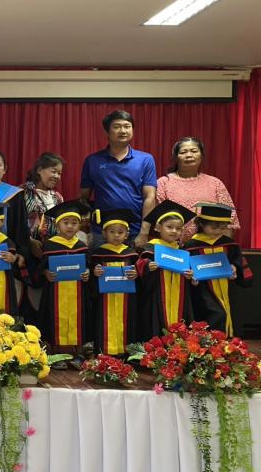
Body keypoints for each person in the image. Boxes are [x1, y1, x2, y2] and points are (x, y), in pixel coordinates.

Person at [79, 110, 157, 248]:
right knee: (99, 263)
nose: (123, 131)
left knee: (134, 263)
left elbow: (150, 197)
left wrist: (144, 232)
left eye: (127, 126)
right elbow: (84, 198)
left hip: (134, 231)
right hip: (101, 232)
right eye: (117, 127)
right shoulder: (92, 160)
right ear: (107, 131)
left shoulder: (145, 159)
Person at [34, 201, 91, 369]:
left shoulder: (81, 246)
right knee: (54, 319)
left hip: (77, 292)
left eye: (74, 223)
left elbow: (88, 265)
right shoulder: (50, 245)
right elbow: (40, 268)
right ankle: (56, 355)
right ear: (58, 225)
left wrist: (87, 273)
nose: (70, 226)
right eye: (66, 222)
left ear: (79, 225)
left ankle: (78, 354)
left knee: (78, 319)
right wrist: (45, 273)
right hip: (55, 292)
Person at [183, 203, 253, 336]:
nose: (218, 231)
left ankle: (229, 344)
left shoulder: (230, 244)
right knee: (214, 315)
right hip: (202, 291)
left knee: (229, 314)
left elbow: (238, 262)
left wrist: (235, 268)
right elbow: (185, 269)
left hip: (227, 290)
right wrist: (190, 277)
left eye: (222, 228)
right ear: (201, 224)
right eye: (214, 227)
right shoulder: (191, 246)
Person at [156, 137, 240, 243]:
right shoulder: (163, 183)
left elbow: (230, 219)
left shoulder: (215, 183)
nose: (189, 155)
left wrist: (223, 246)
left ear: (201, 156)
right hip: (173, 247)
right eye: (183, 152)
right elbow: (157, 219)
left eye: (194, 151)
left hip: (208, 247)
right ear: (176, 157)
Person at [135, 200, 196, 339]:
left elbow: (191, 274)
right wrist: (148, 266)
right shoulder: (151, 247)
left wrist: (190, 275)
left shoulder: (182, 251)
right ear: (158, 227)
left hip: (179, 295)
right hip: (157, 295)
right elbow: (140, 265)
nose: (174, 231)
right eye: (169, 227)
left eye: (178, 228)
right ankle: (156, 349)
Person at [20, 152, 65, 322]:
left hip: (52, 255)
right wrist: (29, 241)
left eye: (59, 173)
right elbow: (16, 223)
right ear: (39, 170)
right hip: (30, 255)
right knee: (30, 302)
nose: (57, 176)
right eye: (53, 171)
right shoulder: (22, 193)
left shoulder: (58, 197)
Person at [88, 209, 139, 356]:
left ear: (127, 234)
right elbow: (90, 274)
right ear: (104, 233)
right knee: (104, 322)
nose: (116, 235)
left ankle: (126, 354)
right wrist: (94, 272)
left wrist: (136, 274)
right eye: (112, 232)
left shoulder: (132, 254)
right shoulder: (97, 254)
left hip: (126, 299)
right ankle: (103, 353)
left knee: (126, 321)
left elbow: (140, 275)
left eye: (120, 232)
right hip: (104, 300)